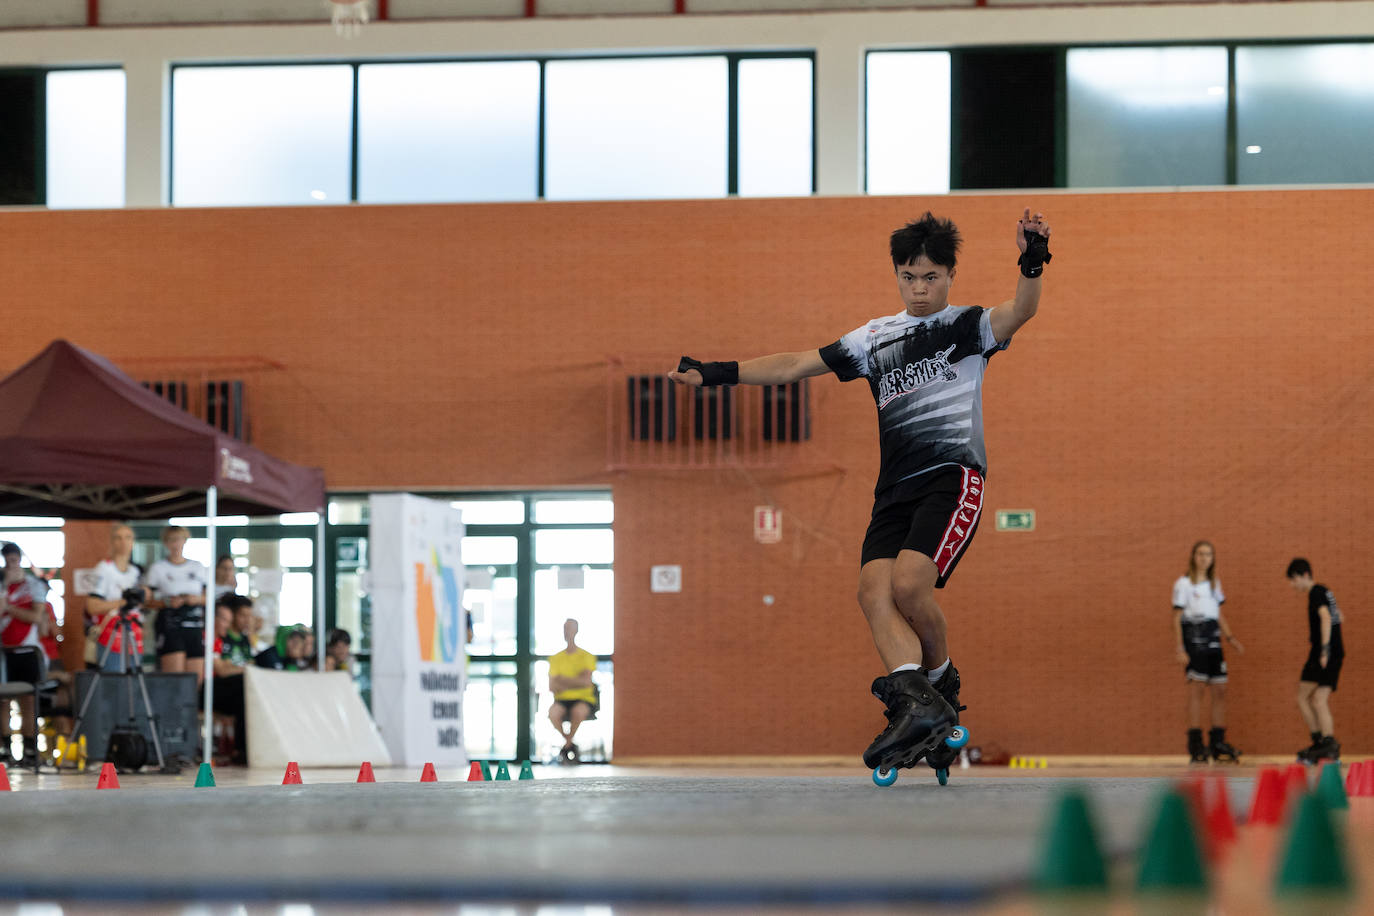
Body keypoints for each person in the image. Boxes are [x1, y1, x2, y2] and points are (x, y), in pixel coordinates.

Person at [668, 209, 1052, 776]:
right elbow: (798, 363)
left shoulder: (968, 327)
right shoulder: (875, 337)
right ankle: (915, 700)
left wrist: (1033, 258)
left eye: (930, 277)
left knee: (910, 582)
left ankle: (942, 687)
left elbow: (1021, 309)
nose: (919, 289)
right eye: (908, 277)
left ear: (948, 276)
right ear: (896, 276)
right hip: (893, 488)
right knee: (872, 590)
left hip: (952, 475)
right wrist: (717, 373)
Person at [1172, 541, 1243, 763]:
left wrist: (1230, 637)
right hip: (1194, 640)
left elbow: (1219, 613)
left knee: (1220, 690)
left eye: (1209, 554)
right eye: (1201, 554)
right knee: (1197, 691)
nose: (1205, 558)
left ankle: (1217, 741)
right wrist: (1180, 647)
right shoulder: (1183, 584)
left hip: (1214, 641)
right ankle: (1195, 744)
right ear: (1193, 556)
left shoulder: (1214, 583)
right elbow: (1176, 618)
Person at [1287, 558, 1345, 762]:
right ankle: (1328, 745)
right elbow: (1339, 615)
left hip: (1324, 651)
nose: (1293, 586)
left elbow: (1326, 617)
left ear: (1304, 575)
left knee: (1303, 697)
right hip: (1337, 652)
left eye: (1293, 580)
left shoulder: (1315, 593)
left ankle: (1320, 741)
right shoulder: (1326, 591)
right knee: (1319, 699)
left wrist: (1324, 649)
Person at [0, 542, 53, 766]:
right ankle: (6, 748)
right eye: (7, 560)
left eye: (15, 559)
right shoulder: (1, 584)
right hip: (3, 649)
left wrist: (10, 608)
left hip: (28, 649)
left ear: (20, 559)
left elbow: (35, 617)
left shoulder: (33, 585)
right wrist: (5, 586)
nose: (12, 564)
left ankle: (31, 750)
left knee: (29, 699)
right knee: (2, 700)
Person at [145, 525, 209, 683]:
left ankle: (191, 707)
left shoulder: (197, 567)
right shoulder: (158, 568)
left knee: (196, 679)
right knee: (175, 678)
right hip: (170, 624)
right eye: (171, 540)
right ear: (166, 543)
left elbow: (208, 597)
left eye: (179, 539)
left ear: (185, 541)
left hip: (194, 625)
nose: (175, 544)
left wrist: (195, 599)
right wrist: (166, 602)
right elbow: (147, 601)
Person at [85, 523, 147, 671]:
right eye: (118, 538)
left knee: (133, 680)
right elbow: (92, 606)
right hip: (110, 636)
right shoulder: (103, 568)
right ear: (112, 542)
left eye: (128, 538)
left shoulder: (135, 572)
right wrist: (123, 602)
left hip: (133, 634)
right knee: (113, 683)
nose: (123, 542)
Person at [547, 618, 598, 762]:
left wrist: (563, 680)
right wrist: (577, 680)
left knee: (578, 711)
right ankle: (569, 743)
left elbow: (586, 683)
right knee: (553, 713)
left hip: (584, 699)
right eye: (565, 628)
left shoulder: (586, 656)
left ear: (576, 631)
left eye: (569, 628)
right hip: (562, 699)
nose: (567, 632)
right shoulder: (556, 658)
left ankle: (566, 746)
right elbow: (552, 686)